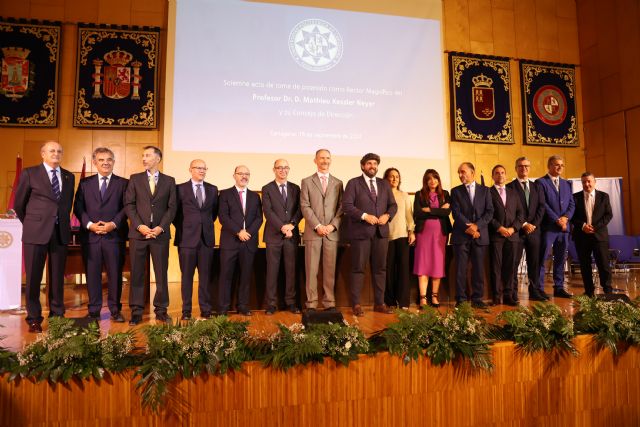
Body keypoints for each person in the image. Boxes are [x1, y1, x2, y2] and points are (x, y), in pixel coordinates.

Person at [14, 141, 75, 333]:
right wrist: (33, 223)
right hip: (36, 232)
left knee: (57, 278)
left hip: (60, 233)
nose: (56, 153)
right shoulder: (29, 173)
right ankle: (34, 318)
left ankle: (57, 317)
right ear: (43, 154)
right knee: (33, 277)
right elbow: (19, 205)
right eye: (52, 151)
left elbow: (66, 205)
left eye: (59, 150)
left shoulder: (69, 176)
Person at [73, 147, 128, 322]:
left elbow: (127, 207)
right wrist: (90, 225)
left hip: (114, 237)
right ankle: (94, 310)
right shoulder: (84, 183)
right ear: (95, 162)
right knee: (92, 274)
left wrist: (113, 224)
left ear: (113, 162)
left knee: (115, 275)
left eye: (109, 159)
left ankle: (115, 310)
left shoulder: (123, 183)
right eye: (101, 159)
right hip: (91, 237)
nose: (105, 162)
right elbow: (78, 207)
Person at [125, 146, 177, 325]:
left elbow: (172, 208)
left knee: (161, 273)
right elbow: (129, 205)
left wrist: (161, 228)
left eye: (147, 155)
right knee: (137, 273)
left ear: (158, 159)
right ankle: (137, 311)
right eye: (143, 155)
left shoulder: (169, 181)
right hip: (138, 235)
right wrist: (140, 226)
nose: (144, 158)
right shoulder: (135, 179)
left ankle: (161, 310)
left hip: (160, 235)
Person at [342, 153, 398, 316]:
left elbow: (393, 205)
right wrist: (365, 216)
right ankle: (356, 304)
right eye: (369, 163)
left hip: (381, 233)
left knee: (380, 269)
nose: (372, 166)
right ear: (362, 166)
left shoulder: (384, 184)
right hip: (360, 233)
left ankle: (379, 303)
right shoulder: (353, 183)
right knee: (358, 268)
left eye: (374, 163)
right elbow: (347, 206)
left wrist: (387, 215)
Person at [173, 159, 218, 320]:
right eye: (198, 168)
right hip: (186, 240)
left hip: (206, 240)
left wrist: (202, 226)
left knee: (205, 277)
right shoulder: (180, 189)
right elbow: (175, 214)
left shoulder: (213, 189)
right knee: (186, 277)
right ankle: (186, 311)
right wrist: (188, 227)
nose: (201, 170)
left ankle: (205, 310)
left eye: (204, 168)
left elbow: (213, 213)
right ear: (190, 169)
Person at [300, 149, 343, 312]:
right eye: (321, 158)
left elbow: (341, 207)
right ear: (315, 160)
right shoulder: (306, 181)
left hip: (331, 233)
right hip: (313, 232)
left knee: (330, 270)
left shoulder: (338, 183)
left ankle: (329, 302)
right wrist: (318, 226)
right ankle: (311, 303)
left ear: (330, 160)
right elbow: (305, 205)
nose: (325, 161)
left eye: (327, 158)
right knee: (311, 270)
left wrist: (332, 226)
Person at [217, 165, 263, 316]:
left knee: (245, 276)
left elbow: (258, 218)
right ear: (234, 175)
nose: (244, 176)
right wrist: (238, 231)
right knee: (226, 275)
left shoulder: (255, 196)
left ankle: (242, 305)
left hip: (248, 242)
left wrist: (247, 232)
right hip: (230, 242)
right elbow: (223, 217)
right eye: (241, 173)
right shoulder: (224, 194)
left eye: (247, 174)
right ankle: (223, 307)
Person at [450, 162, 493, 308]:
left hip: (480, 236)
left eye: (463, 172)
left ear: (472, 173)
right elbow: (456, 213)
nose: (461, 175)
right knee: (461, 270)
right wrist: (469, 227)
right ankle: (461, 299)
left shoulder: (486, 191)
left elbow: (489, 212)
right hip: (461, 236)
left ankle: (477, 299)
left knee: (478, 269)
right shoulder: (455, 191)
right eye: (459, 173)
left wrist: (477, 227)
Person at [262, 159, 302, 315]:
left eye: (285, 167)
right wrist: (282, 226)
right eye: (279, 168)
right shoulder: (267, 188)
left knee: (291, 271)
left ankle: (291, 302)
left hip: (291, 235)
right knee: (272, 271)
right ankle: (271, 304)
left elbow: (299, 210)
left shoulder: (295, 188)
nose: (282, 170)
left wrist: (291, 224)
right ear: (274, 170)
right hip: (273, 235)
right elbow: (268, 211)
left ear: (289, 169)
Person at [506, 157, 547, 301]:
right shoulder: (509, 187)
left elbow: (542, 207)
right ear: (516, 168)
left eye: (526, 166)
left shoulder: (537, 187)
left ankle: (535, 291)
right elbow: (510, 211)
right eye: (520, 166)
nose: (524, 169)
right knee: (514, 264)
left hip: (534, 232)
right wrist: (523, 224)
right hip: (517, 232)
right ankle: (513, 293)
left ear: (529, 168)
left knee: (534, 263)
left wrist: (533, 224)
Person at [537, 155, 575, 299]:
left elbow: (572, 203)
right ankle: (539, 288)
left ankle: (559, 287)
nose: (560, 167)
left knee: (560, 258)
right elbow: (543, 204)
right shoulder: (541, 182)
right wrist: (556, 219)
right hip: (549, 227)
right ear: (549, 166)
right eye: (556, 164)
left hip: (564, 228)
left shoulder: (567, 184)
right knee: (543, 257)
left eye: (562, 165)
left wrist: (565, 218)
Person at [413, 169, 451, 308]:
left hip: (440, 234)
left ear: (438, 180)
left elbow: (447, 212)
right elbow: (418, 213)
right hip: (423, 234)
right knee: (423, 264)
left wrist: (429, 210)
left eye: (435, 178)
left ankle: (434, 296)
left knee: (437, 263)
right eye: (429, 179)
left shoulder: (445, 194)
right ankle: (423, 298)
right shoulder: (419, 194)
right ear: (425, 181)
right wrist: (439, 210)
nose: (432, 181)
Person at [570, 172, 613, 297]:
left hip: (599, 236)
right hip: (581, 236)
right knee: (585, 265)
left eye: (589, 181)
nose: (586, 184)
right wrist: (583, 226)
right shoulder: (575, 197)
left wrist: (594, 227)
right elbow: (571, 216)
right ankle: (589, 292)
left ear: (594, 182)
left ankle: (608, 291)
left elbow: (608, 215)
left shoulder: (604, 196)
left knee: (604, 264)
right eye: (584, 182)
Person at [488, 165, 524, 306]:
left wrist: (513, 228)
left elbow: (521, 214)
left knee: (510, 268)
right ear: (493, 176)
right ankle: (496, 297)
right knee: (496, 268)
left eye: (503, 173)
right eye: (497, 173)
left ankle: (508, 296)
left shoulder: (513, 192)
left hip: (512, 236)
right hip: (496, 236)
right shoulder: (488, 192)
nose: (500, 175)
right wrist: (499, 228)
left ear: (506, 175)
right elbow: (488, 214)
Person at [383, 168, 415, 309]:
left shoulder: (404, 195)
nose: (394, 179)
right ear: (386, 179)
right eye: (391, 176)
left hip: (402, 235)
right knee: (388, 271)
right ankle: (389, 302)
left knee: (403, 269)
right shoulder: (382, 195)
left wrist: (411, 231)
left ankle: (403, 302)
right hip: (386, 237)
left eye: (397, 176)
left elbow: (409, 215)